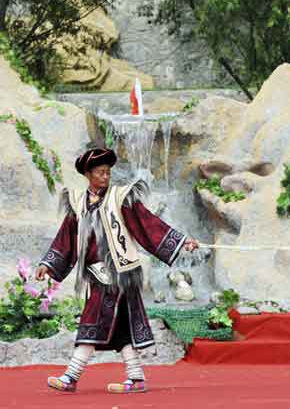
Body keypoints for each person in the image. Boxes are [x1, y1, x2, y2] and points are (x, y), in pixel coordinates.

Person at [36, 147, 199, 394]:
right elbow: (65, 238)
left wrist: (181, 242)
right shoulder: (77, 203)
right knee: (121, 327)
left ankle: (71, 376)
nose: (105, 177)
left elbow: (148, 225)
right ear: (88, 174)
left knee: (92, 318)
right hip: (95, 273)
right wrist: (47, 264)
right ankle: (136, 379)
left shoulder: (121, 198)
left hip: (118, 273)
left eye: (108, 172)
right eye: (100, 172)